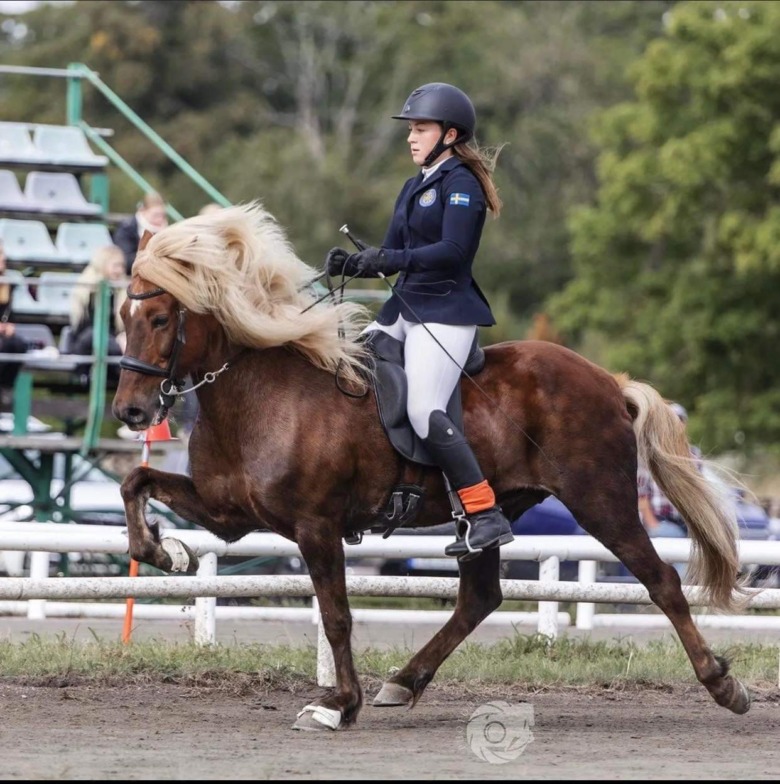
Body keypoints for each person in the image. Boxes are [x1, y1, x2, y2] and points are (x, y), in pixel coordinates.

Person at [325, 82, 513, 560]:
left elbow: (452, 254)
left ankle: (483, 510)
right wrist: (356, 262)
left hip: (446, 312)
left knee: (423, 411)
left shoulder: (462, 185)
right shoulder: (413, 186)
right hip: (404, 308)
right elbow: (392, 255)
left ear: (449, 135)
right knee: (349, 371)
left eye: (420, 129)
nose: (411, 137)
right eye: (410, 129)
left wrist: (391, 257)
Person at [637, 402, 700, 578]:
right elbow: (642, 494)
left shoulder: (693, 455)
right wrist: (652, 523)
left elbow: (696, 493)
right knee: (680, 562)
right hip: (661, 520)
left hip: (685, 522)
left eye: (679, 421)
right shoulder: (649, 454)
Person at [69, 244, 128, 387]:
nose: (119, 270)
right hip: (85, 340)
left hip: (112, 341)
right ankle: (125, 378)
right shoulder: (87, 288)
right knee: (96, 336)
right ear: (102, 265)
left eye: (121, 266)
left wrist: (124, 336)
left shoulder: (122, 290)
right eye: (115, 266)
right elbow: (83, 326)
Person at [0, 238, 29, 405]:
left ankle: (5, 387)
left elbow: (8, 315)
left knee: (17, 344)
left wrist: (9, 325)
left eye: (3, 254)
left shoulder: (7, 284)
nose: (3, 258)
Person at [112, 191, 169, 274]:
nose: (160, 220)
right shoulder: (127, 229)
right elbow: (125, 261)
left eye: (162, 215)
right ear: (143, 211)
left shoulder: (167, 232)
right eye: (156, 215)